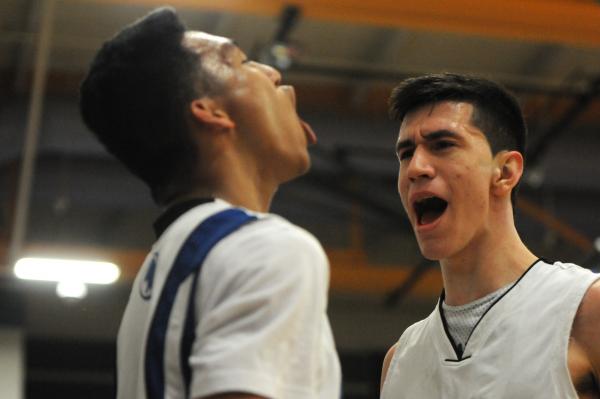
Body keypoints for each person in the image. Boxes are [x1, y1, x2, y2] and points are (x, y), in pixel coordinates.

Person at [79, 7, 341, 399]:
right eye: (240, 61)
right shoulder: (266, 249)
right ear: (210, 112)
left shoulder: (157, 274)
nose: (274, 74)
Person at [380, 73, 600, 398]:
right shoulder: (400, 360)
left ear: (506, 172)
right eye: (406, 153)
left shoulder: (586, 310)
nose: (416, 168)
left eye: (443, 145)